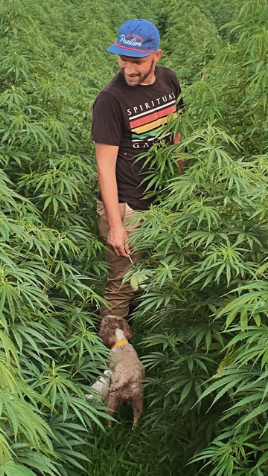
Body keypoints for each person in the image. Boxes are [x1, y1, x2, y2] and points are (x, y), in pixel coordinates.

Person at [91, 19, 183, 319]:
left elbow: (177, 132)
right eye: (122, 59)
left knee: (157, 274)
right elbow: (104, 168)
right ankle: (115, 346)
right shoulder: (110, 99)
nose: (128, 69)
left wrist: (182, 187)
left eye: (138, 61)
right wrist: (116, 226)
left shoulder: (169, 80)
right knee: (122, 285)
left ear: (157, 55)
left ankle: (145, 330)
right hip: (129, 206)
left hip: (165, 199)